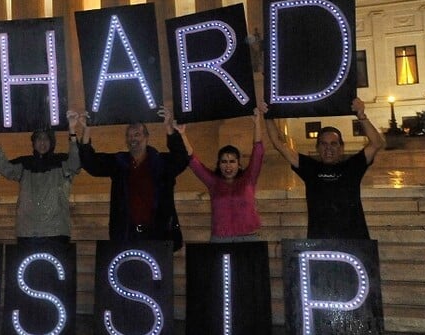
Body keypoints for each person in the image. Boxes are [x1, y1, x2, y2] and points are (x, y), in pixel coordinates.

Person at [265, 97, 386, 240]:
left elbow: (377, 143)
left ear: (341, 148)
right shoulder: (310, 167)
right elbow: (278, 144)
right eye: (323, 144)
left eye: (333, 144)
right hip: (320, 241)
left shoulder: (353, 166)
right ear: (317, 148)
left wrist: (361, 116)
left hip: (354, 239)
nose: (328, 148)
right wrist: (267, 115)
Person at [79, 106, 189, 250]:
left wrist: (169, 127)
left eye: (137, 134)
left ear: (146, 137)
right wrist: (86, 129)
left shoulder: (160, 162)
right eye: (129, 136)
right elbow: (91, 164)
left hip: (158, 234)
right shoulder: (119, 162)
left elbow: (181, 160)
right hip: (126, 234)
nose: (133, 139)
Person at [0, 111, 82, 245]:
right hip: (27, 232)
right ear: (33, 143)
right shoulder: (25, 164)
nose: (42, 142)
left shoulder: (63, 162)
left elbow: (76, 163)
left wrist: (72, 131)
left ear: (52, 142)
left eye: (46, 139)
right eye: (39, 138)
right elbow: (4, 168)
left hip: (57, 231)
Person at [182, 106, 266, 242]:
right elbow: (193, 161)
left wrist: (257, 122)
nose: (228, 165)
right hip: (221, 239)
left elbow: (258, 151)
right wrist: (182, 134)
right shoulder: (213, 182)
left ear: (239, 164)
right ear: (219, 164)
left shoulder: (249, 179)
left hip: (249, 238)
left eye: (232, 161)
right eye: (224, 161)